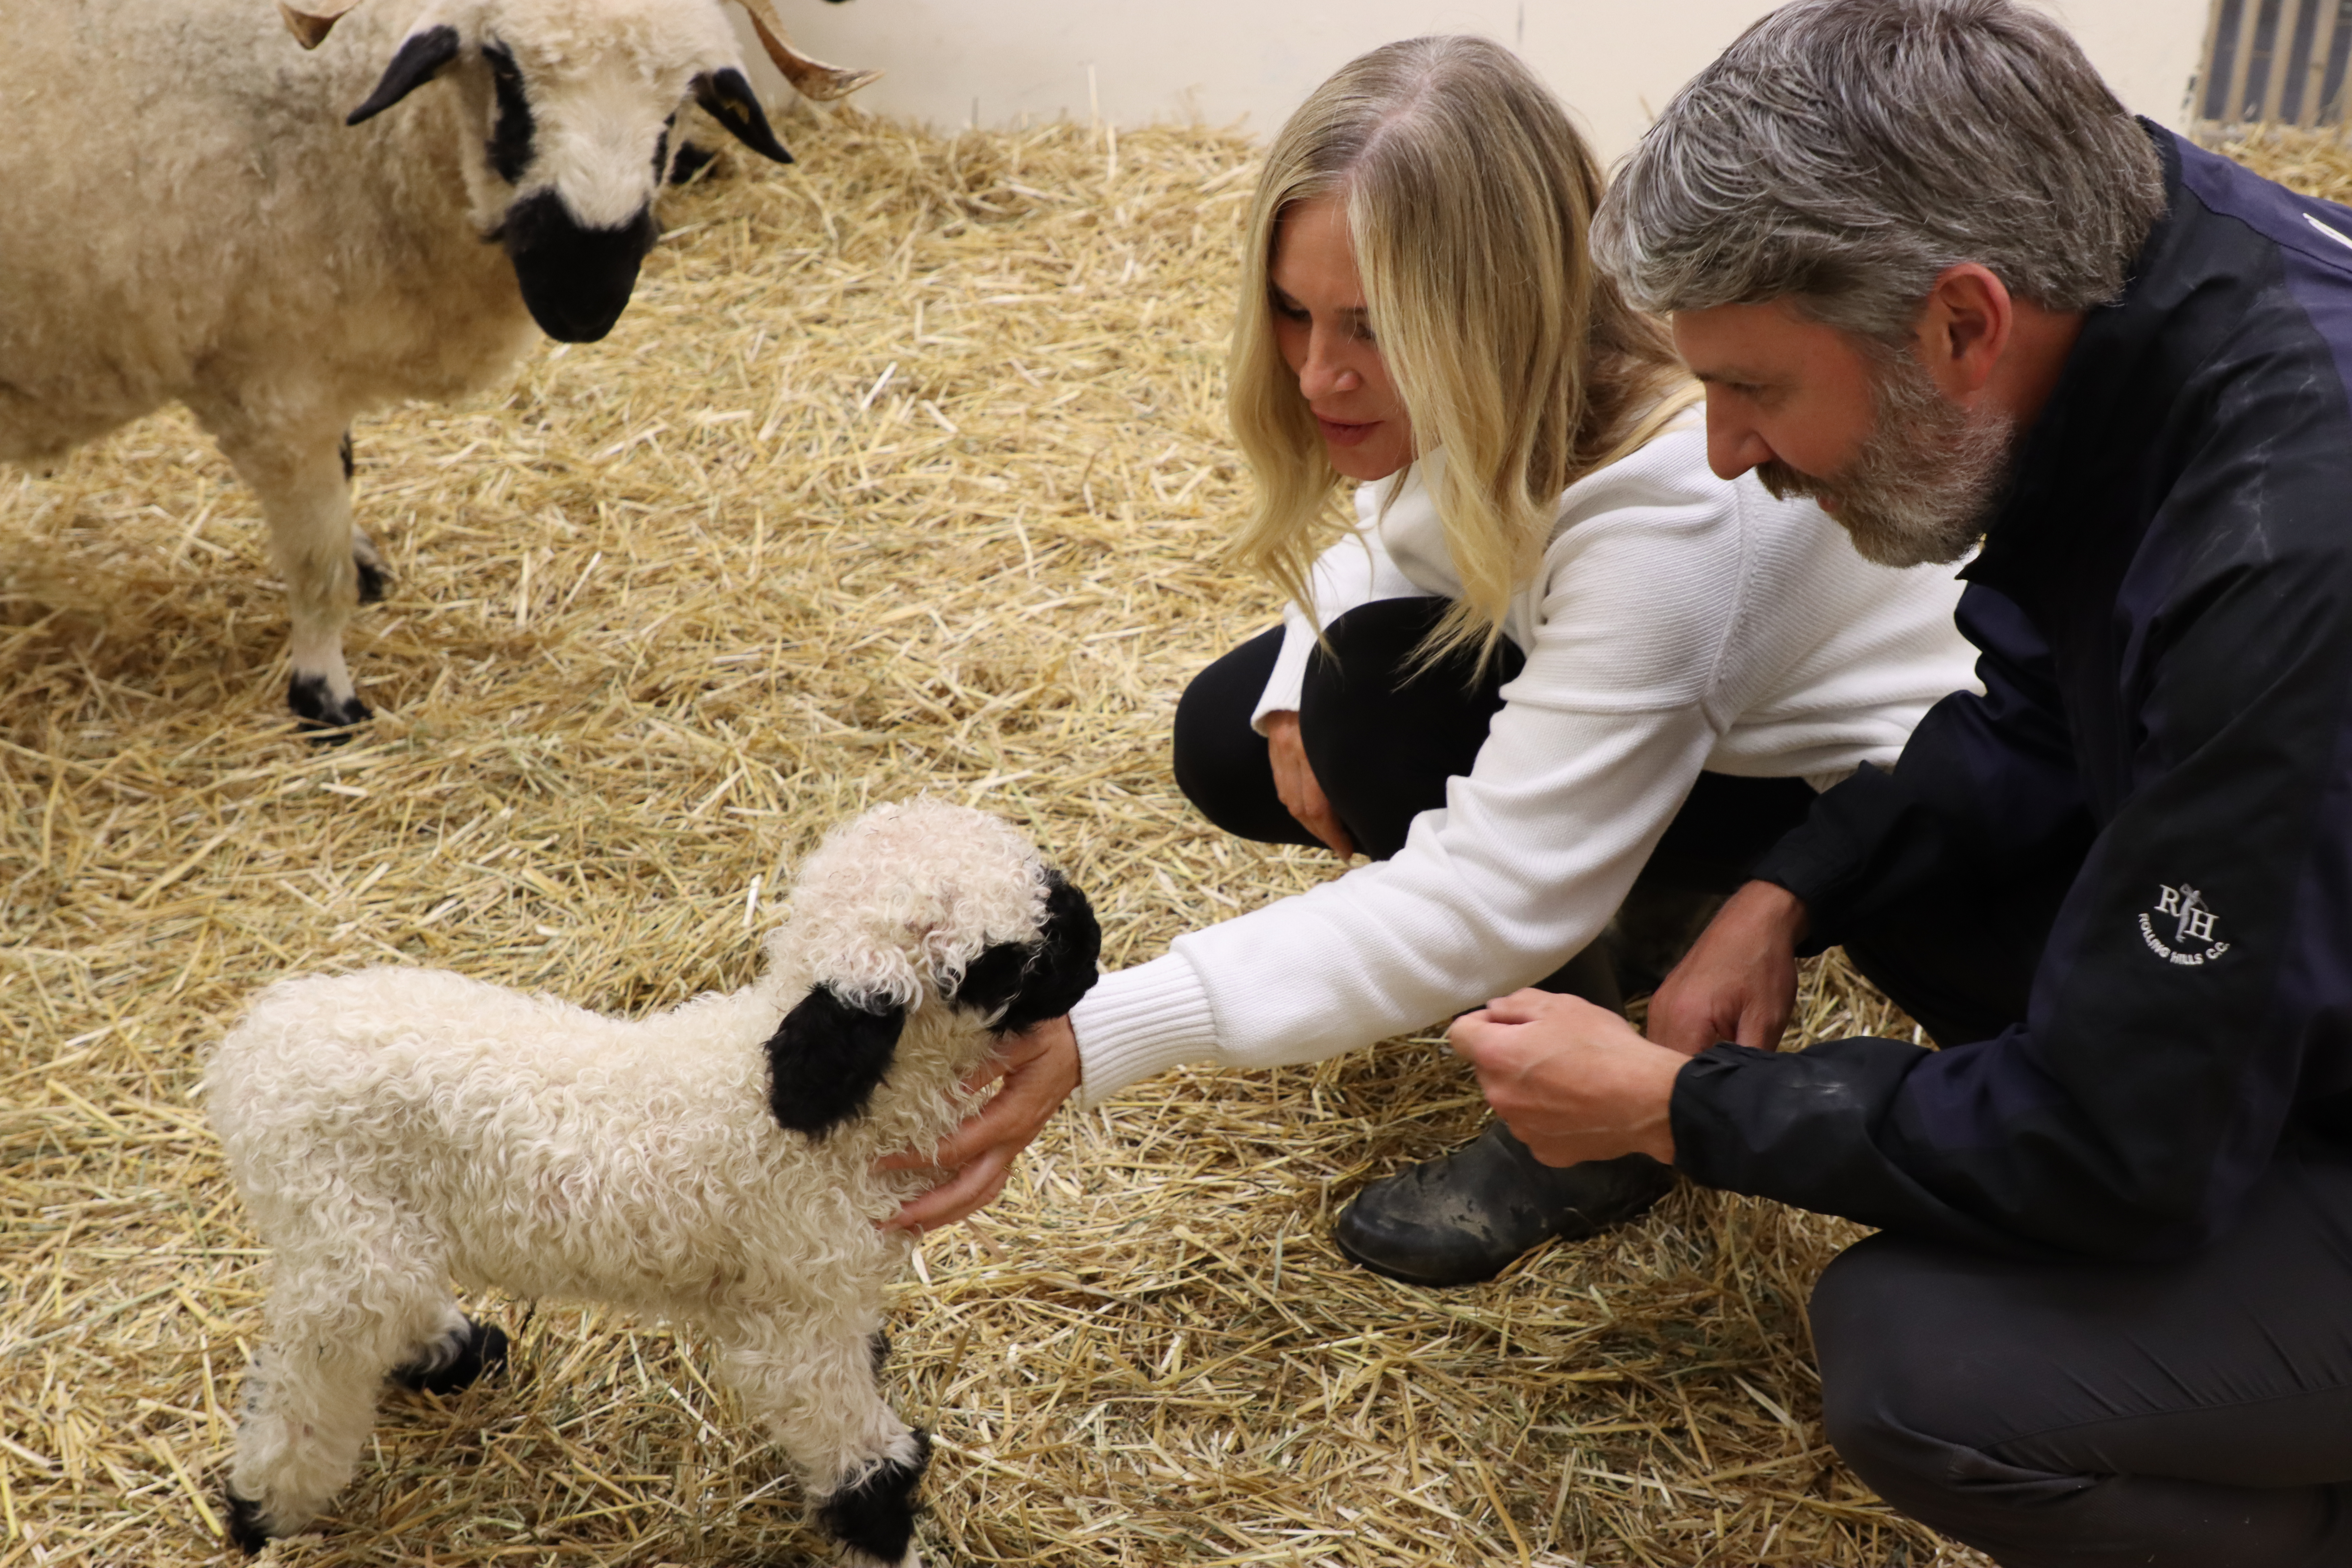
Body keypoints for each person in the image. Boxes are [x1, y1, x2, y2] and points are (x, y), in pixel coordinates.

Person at [1447, 1, 2352, 1562]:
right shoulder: (2129, 241)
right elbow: (2042, 708)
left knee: (1929, 1364)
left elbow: (2119, 1148)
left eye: (1754, 388)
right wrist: (1795, 879)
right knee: (1919, 876)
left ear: (1959, 322)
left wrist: (1683, 1108)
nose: (1725, 451)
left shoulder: (2285, 554)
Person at [885, 34, 1975, 1288]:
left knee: (1380, 714)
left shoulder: (1682, 503)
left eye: (1373, 326)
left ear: (1496, 305)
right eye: (1293, 312)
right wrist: (1300, 676)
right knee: (1250, 724)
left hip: (1873, 817)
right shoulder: (1506, 376)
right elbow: (1393, 514)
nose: (1316, 372)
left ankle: (1588, 1137)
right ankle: (1645, 909)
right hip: (1701, 734)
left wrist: (1097, 1034)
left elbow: (1487, 892)